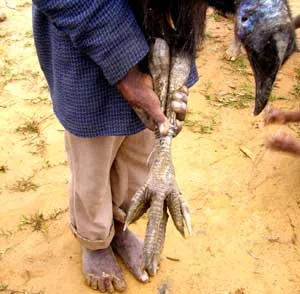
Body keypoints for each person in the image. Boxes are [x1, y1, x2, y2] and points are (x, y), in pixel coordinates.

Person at [32, 1, 198, 292]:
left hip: (157, 39)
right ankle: (95, 240)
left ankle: (119, 226)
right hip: (84, 43)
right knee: (92, 166)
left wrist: (182, 49)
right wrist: (126, 71)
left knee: (138, 153)